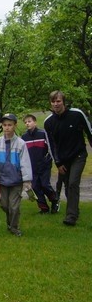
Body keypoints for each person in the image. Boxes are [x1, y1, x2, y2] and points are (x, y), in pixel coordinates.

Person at [44, 90, 92, 226]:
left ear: (63, 102)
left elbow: (89, 132)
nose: (56, 104)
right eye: (53, 102)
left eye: (58, 101)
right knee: (67, 186)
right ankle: (75, 210)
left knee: (73, 183)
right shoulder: (49, 122)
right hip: (63, 159)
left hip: (78, 155)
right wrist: (58, 163)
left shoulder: (77, 114)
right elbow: (51, 145)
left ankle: (71, 217)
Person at [0, 113, 33, 236]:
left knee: (14, 207)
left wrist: (27, 180)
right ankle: (10, 223)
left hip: (16, 181)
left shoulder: (21, 144)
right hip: (3, 180)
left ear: (15, 125)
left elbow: (25, 163)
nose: (7, 127)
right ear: (2, 126)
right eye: (4, 125)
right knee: (5, 205)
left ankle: (14, 228)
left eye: (10, 125)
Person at [21, 114, 59, 214]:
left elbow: (51, 147)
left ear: (35, 122)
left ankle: (54, 200)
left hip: (44, 164)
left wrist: (48, 159)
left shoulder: (43, 134)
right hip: (32, 166)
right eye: (25, 122)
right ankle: (43, 208)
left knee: (45, 184)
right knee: (35, 186)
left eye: (29, 121)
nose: (27, 124)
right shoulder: (24, 137)